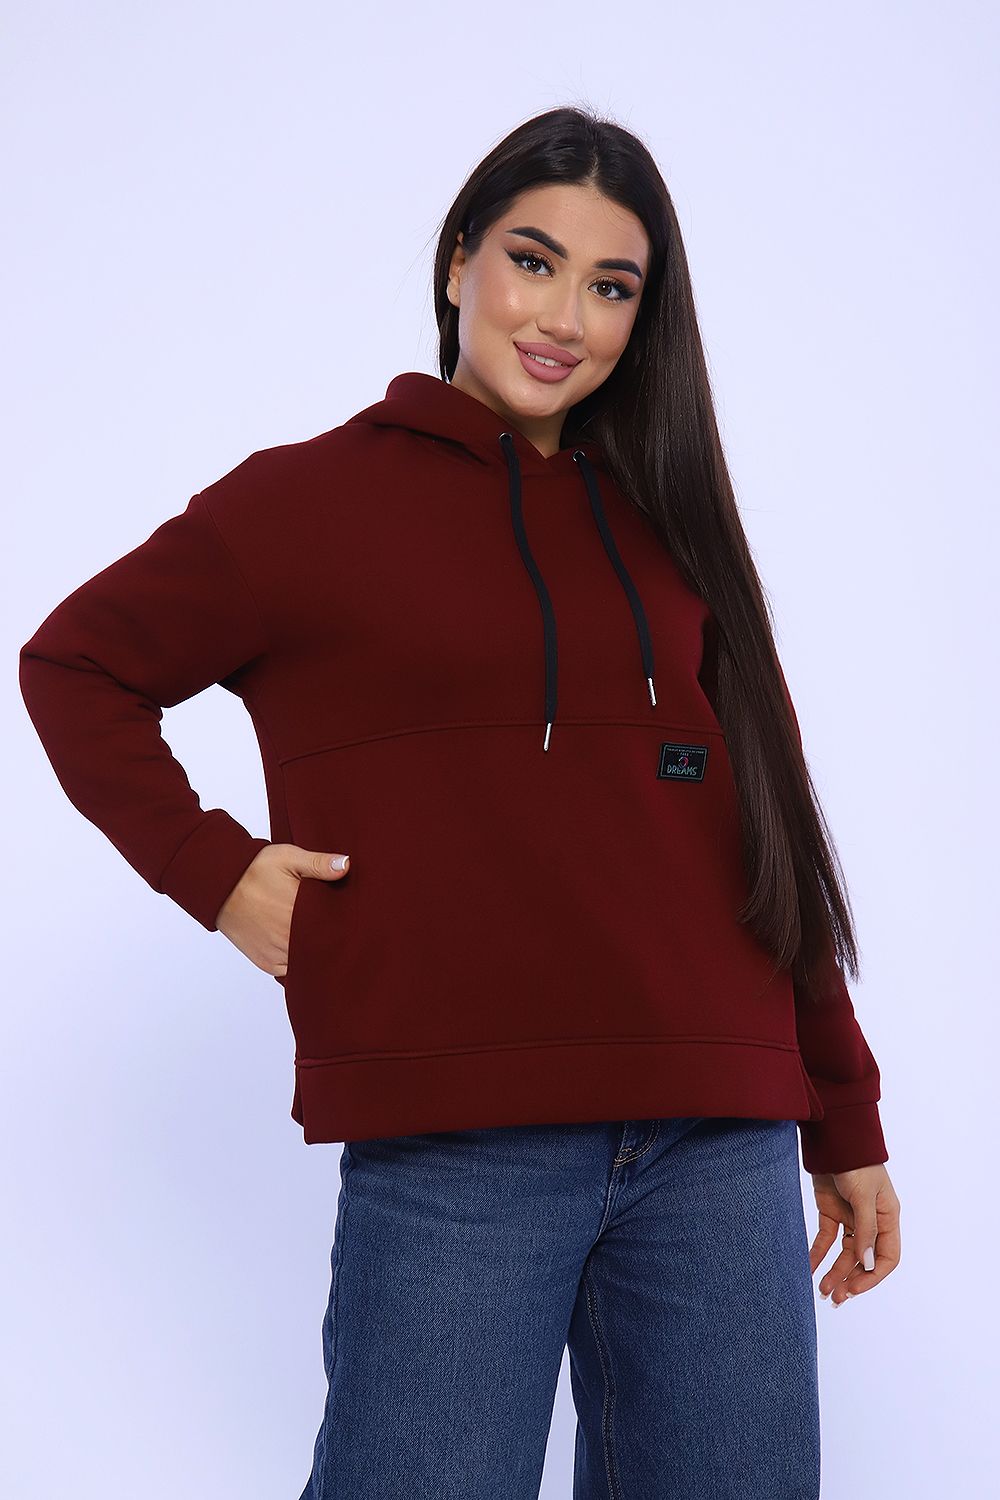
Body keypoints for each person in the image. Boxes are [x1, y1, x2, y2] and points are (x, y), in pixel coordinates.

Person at [19, 105, 900, 1499]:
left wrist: (842, 1111)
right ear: (457, 262)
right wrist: (215, 870)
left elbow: (766, 830)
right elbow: (75, 665)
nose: (564, 318)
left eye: (611, 287)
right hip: (461, 1143)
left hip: (718, 1134)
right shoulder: (304, 505)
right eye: (533, 261)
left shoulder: (670, 523)